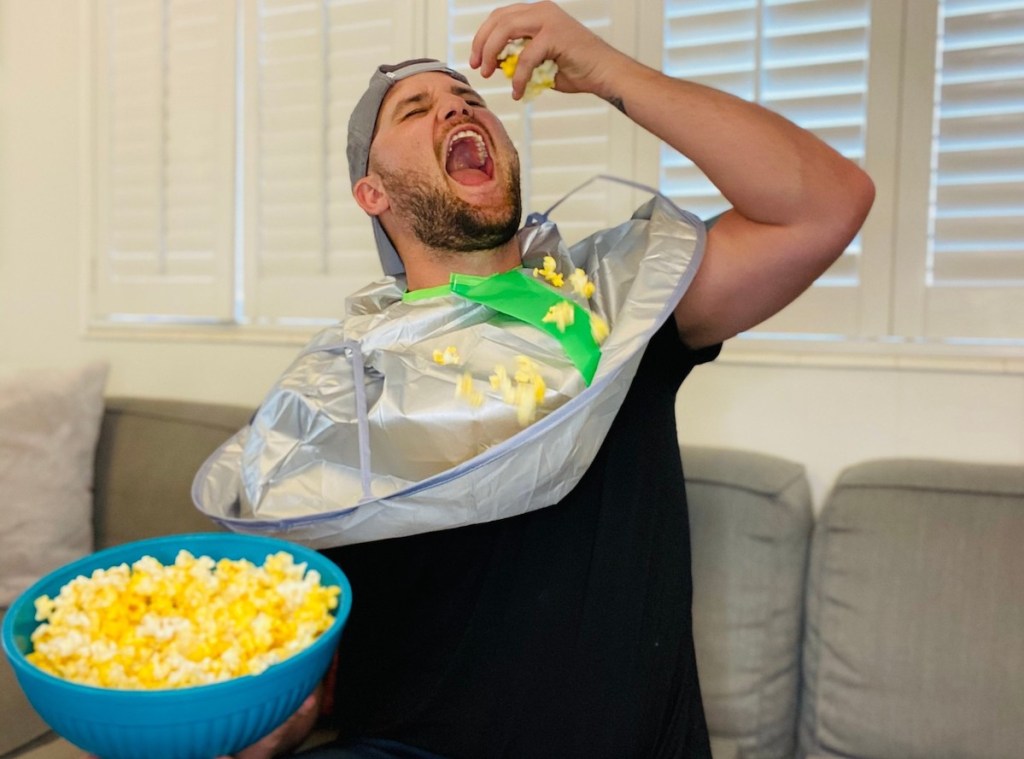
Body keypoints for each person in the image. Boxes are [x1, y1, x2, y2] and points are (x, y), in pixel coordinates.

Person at [196, 2, 874, 758]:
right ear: (372, 194)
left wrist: (612, 69)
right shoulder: (346, 391)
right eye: (415, 109)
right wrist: (248, 721)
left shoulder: (615, 308)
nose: (453, 104)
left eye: (468, 98)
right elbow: (304, 655)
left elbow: (826, 206)